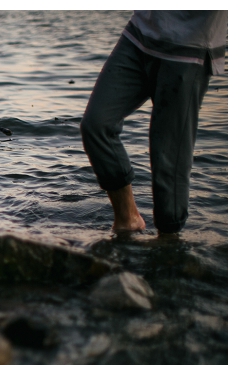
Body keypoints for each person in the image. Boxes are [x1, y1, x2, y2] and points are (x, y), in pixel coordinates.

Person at [79, 11, 227, 234]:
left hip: (189, 47)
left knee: (168, 161)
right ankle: (128, 219)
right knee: (96, 124)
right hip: (139, 34)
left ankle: (168, 250)